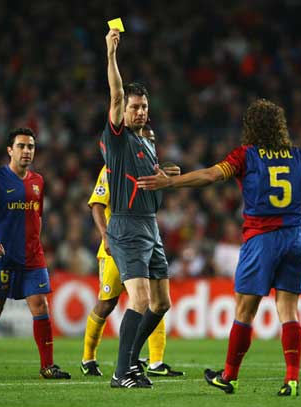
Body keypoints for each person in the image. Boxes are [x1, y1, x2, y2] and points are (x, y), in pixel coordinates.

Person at [137, 99, 301, 396]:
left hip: (262, 239)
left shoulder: (246, 156)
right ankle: (292, 380)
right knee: (288, 310)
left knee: (245, 310)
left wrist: (171, 183)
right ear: (280, 127)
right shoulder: (297, 156)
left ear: (251, 127)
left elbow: (209, 175)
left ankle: (229, 376)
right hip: (295, 239)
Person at [101, 29, 174, 389]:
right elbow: (114, 93)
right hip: (127, 227)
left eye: (144, 106)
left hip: (151, 226)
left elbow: (150, 179)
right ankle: (121, 372)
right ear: (123, 110)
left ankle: (131, 361)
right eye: (134, 107)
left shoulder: (148, 141)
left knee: (161, 303)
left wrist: (165, 176)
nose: (140, 112)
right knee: (141, 300)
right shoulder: (117, 139)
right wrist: (111, 54)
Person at [0, 127, 71, 380]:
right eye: (21, 146)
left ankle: (47, 366)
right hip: (2, 256)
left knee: (40, 305)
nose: (27, 151)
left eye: (31, 147)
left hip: (32, 256)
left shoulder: (39, 181)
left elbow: (37, 216)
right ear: (9, 150)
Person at [81, 156, 184, 378]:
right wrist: (105, 235)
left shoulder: (150, 169)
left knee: (154, 299)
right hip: (116, 244)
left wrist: (167, 175)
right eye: (146, 139)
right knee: (107, 303)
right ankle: (88, 358)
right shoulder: (113, 168)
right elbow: (97, 205)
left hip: (143, 243)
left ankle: (155, 362)